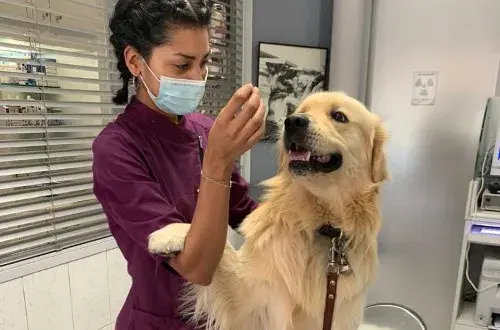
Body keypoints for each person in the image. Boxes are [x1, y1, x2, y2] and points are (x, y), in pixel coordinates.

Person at [92, 0, 265, 328]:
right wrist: (218, 162)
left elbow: (250, 219)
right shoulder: (116, 149)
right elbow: (196, 268)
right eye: (182, 65)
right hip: (160, 321)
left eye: (204, 62)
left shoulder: (203, 129)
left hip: (221, 317)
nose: (198, 77)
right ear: (135, 61)